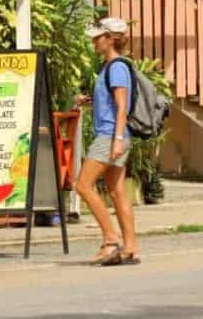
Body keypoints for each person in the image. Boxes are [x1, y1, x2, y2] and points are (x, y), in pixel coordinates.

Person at [74, 17, 139, 266]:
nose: (94, 40)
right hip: (113, 134)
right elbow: (112, 103)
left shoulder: (117, 67)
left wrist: (117, 139)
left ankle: (111, 239)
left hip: (111, 135)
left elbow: (122, 106)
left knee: (83, 186)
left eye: (98, 37)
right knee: (116, 191)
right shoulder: (109, 67)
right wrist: (89, 101)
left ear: (110, 39)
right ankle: (131, 247)